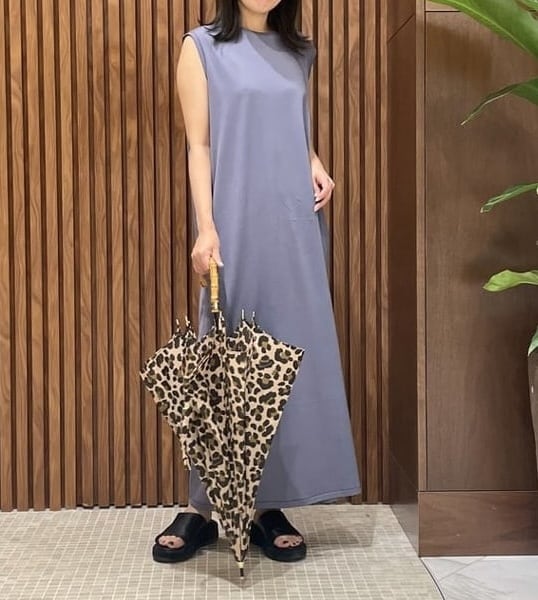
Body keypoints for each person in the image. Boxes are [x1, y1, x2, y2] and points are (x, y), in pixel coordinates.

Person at [152, 0, 361, 565]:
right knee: (222, 362)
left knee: (282, 362)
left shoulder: (299, 52)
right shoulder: (201, 48)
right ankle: (201, 507)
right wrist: (206, 227)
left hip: (293, 222)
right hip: (235, 221)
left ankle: (268, 505)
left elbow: (290, 126)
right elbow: (200, 144)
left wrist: (314, 160)